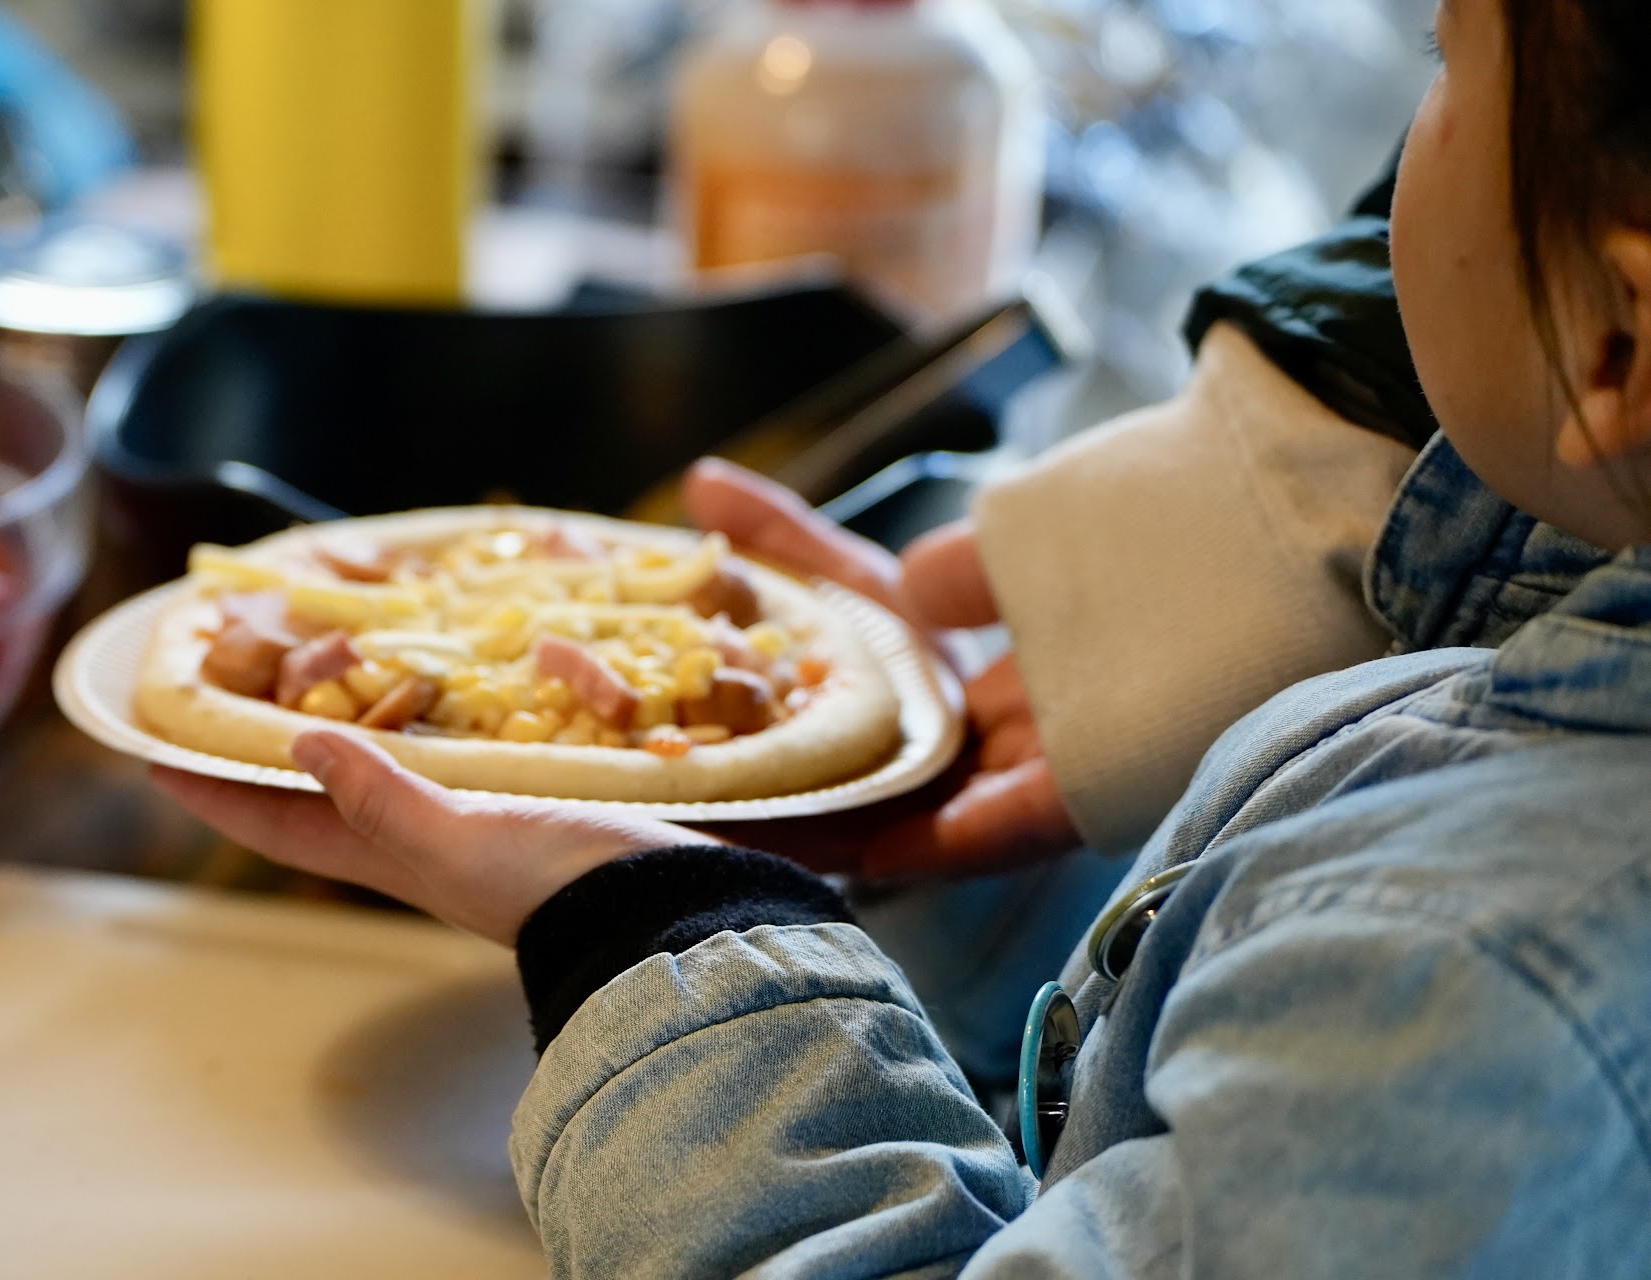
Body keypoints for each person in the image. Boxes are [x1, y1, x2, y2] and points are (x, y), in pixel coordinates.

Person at [158, 0, 1651, 1270]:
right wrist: (1008, 902)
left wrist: (668, 942)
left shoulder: (1466, 978)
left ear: (1621, 338)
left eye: (1445, 57)